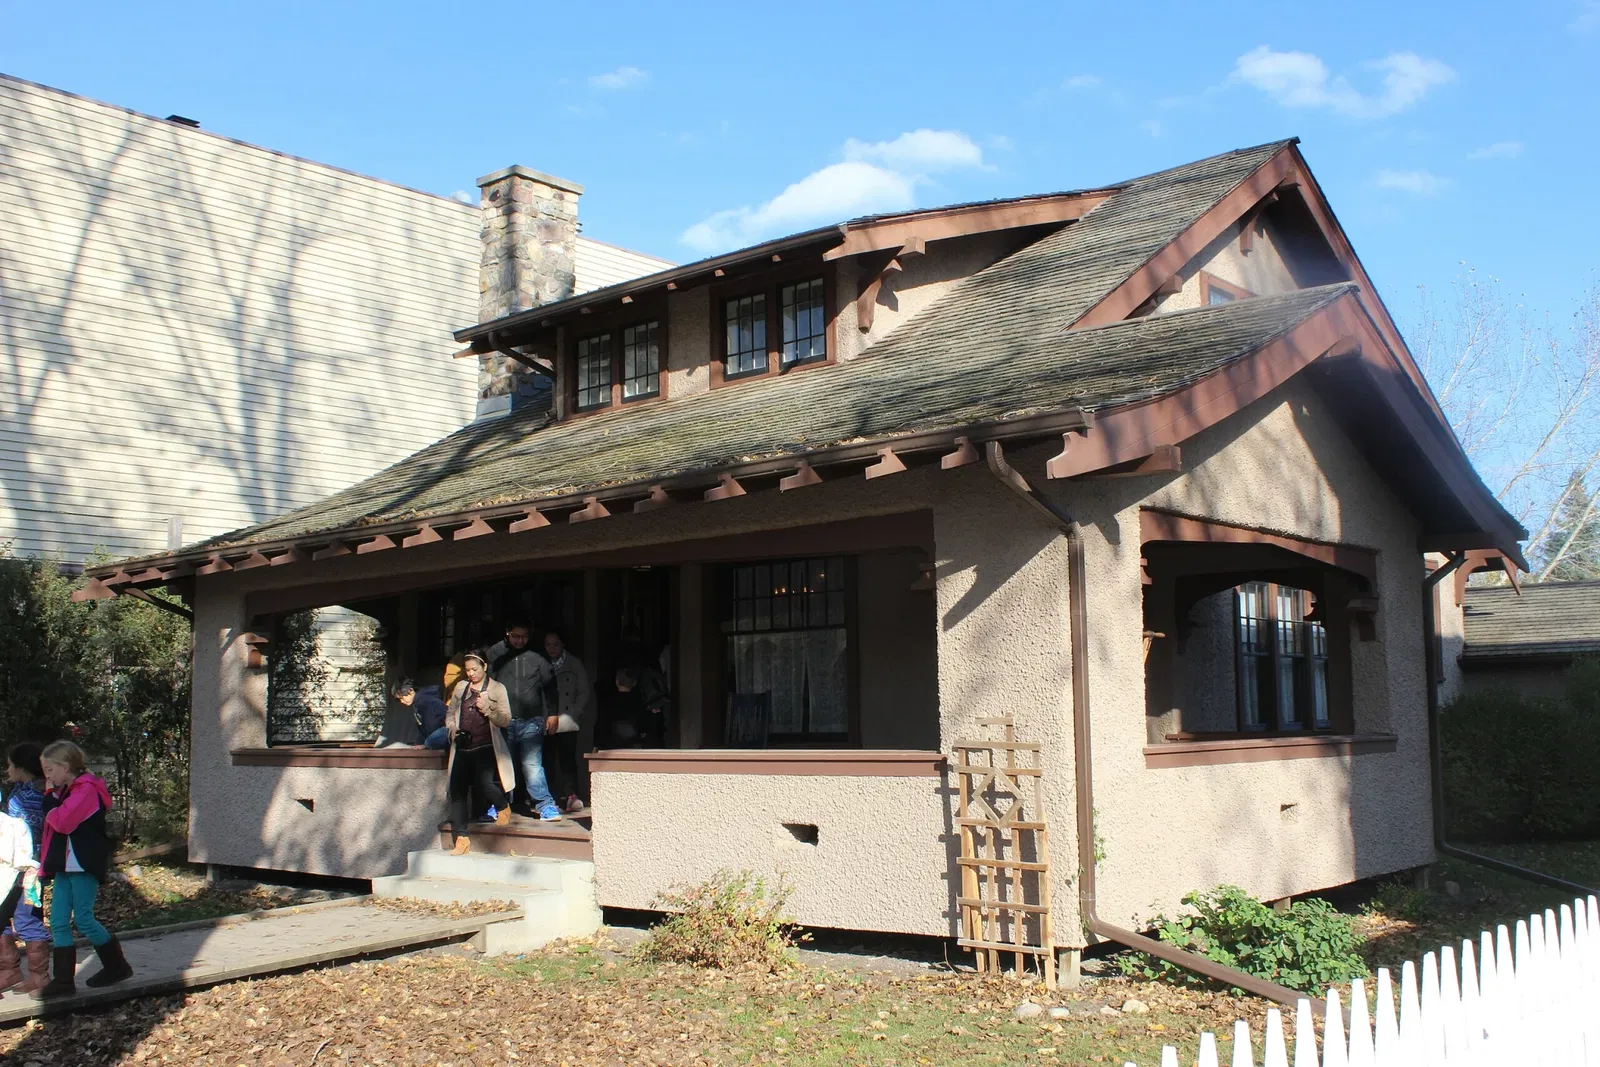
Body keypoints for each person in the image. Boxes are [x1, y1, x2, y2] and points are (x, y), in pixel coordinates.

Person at [36, 740, 132, 997]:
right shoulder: (68, 790)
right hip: (65, 865)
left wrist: (48, 800)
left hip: (83, 864)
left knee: (83, 919)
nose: (47, 776)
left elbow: (62, 822)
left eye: (49, 770)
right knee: (57, 921)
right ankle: (64, 982)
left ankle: (117, 966)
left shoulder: (86, 790)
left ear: (65, 767)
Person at [486, 624, 561, 821]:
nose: (520, 640)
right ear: (507, 633)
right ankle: (501, 805)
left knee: (532, 765)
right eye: (516, 636)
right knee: (503, 764)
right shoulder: (496, 653)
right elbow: (488, 685)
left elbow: (551, 686)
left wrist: (553, 714)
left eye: (524, 636)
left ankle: (545, 805)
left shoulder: (537, 655)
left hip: (532, 719)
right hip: (504, 720)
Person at [443, 651, 515, 855]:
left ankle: (502, 805)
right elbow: (450, 713)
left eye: (475, 669)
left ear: (484, 667)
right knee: (457, 792)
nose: (471, 674)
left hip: (485, 745)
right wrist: (452, 728)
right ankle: (462, 839)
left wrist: (488, 710)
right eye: (467, 670)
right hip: (462, 746)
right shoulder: (460, 687)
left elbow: (506, 719)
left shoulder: (497, 688)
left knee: (484, 783)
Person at [3, 743, 48, 993]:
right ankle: (10, 971)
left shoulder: (28, 798)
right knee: (5, 917)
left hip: (24, 868)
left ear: (22, 768)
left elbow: (28, 837)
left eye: (10, 765)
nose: (7, 769)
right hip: (13, 867)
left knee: (26, 917)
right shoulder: (23, 790)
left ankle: (39, 976)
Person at [543, 630, 594, 813]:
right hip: (545, 718)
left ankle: (571, 795)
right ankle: (547, 797)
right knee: (546, 760)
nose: (552, 648)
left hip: (567, 718)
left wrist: (575, 712)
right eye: (548, 645)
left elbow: (583, 691)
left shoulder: (574, 663)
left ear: (563, 644)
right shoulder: (540, 662)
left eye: (555, 644)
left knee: (567, 760)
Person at [0, 766, 39, 996]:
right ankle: (9, 971)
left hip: (20, 880)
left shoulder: (13, 825)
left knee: (28, 924)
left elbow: (22, 857)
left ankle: (39, 975)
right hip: (9, 879)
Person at [394, 679, 450, 750]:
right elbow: (422, 727)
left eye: (402, 698)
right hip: (439, 731)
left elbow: (432, 724)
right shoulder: (417, 703)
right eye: (399, 700)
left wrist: (424, 744)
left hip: (447, 729)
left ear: (410, 690)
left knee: (430, 742)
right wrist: (419, 743)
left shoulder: (424, 701)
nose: (401, 701)